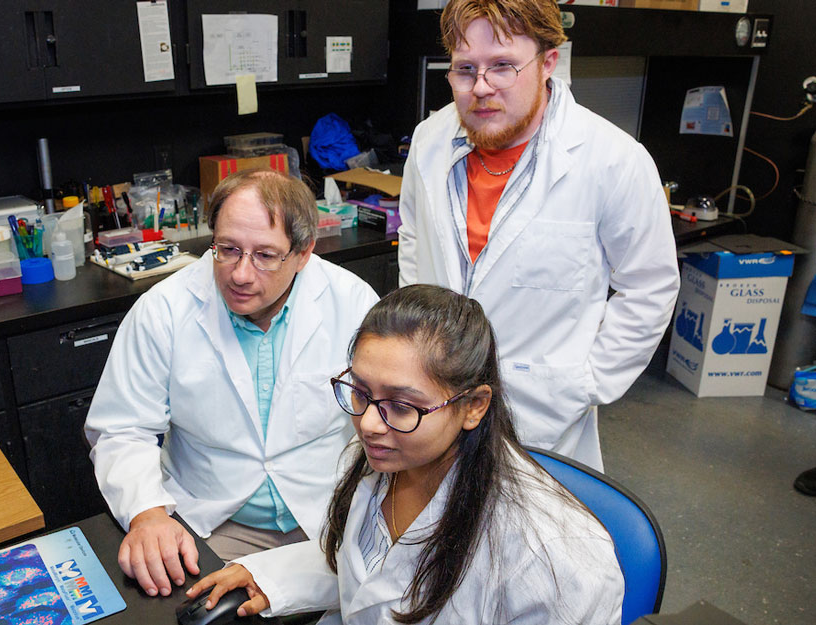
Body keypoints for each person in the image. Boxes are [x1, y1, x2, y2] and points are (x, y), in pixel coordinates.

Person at [185, 285, 623, 624]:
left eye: (403, 404)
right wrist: (273, 577)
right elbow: (376, 573)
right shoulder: (392, 457)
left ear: (474, 406)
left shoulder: (554, 558)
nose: (370, 423)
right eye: (360, 391)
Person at [397, 0, 680, 471]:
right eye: (465, 70)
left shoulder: (612, 159)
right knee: (440, 534)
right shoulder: (429, 141)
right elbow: (413, 239)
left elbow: (650, 286)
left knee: (533, 538)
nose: (481, 88)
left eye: (502, 67)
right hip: (435, 401)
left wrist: (586, 382)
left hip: (543, 416)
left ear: (548, 62)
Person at [84, 169, 380, 598]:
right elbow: (121, 428)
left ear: (304, 253)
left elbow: (385, 416)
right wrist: (147, 516)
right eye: (227, 250)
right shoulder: (163, 310)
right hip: (214, 525)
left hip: (328, 517)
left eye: (264, 255)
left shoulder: (351, 302)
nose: (240, 274)